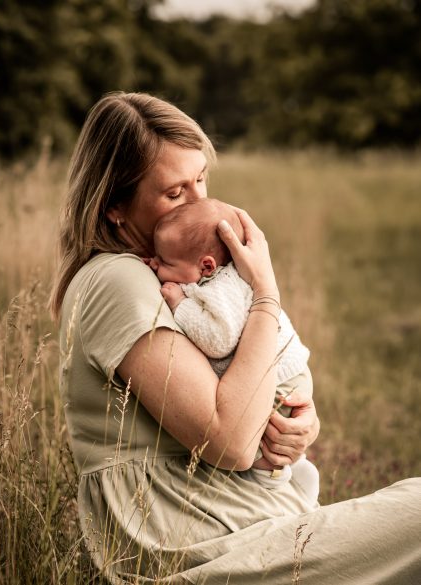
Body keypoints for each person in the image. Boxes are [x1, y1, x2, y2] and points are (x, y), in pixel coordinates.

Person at [50, 91, 421, 584]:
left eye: (201, 179)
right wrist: (266, 291)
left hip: (254, 527)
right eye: (175, 193)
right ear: (115, 206)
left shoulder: (181, 278)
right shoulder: (121, 280)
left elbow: (244, 390)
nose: (205, 206)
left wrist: (298, 428)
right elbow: (230, 441)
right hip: (203, 552)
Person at [149, 197, 319, 505]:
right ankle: (292, 475)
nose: (155, 264)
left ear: (207, 266)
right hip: (282, 370)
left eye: (165, 261)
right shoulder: (205, 276)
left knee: (262, 447)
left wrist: (180, 306)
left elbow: (219, 340)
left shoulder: (223, 288)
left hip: (283, 378)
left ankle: (279, 485)